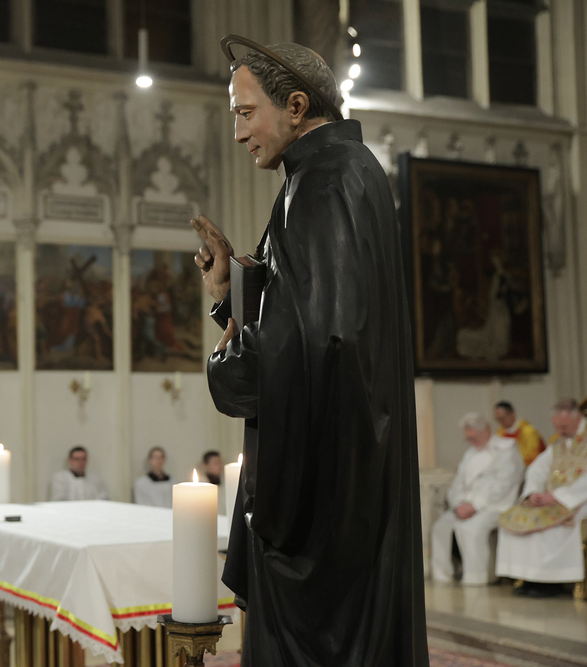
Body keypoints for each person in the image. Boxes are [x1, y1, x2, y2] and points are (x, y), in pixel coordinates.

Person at [197, 38, 428, 666]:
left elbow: (326, 341)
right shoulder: (333, 174)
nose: (239, 133)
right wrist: (227, 296)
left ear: (296, 106)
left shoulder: (327, 183)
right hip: (344, 469)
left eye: (246, 113)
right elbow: (308, 318)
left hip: (326, 498)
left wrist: (228, 368)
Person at [496, 398, 587, 597]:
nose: (560, 431)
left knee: (549, 529)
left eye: (564, 426)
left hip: (579, 499)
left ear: (577, 419)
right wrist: (534, 492)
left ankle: (552, 582)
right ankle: (527, 576)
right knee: (515, 521)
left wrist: (558, 497)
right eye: (557, 426)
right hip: (550, 497)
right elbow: (537, 469)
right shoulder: (560, 441)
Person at [430, 413, 524, 585]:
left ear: (485, 431)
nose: (470, 441)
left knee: (469, 529)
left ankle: (476, 579)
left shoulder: (507, 450)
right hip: (465, 505)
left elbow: (504, 484)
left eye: (473, 437)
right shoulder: (470, 453)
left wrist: (475, 505)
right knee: (440, 527)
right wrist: (458, 504)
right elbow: (458, 483)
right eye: (468, 438)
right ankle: (442, 575)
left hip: (496, 506)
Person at [493, 400, 546, 466]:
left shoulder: (528, 431)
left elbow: (533, 456)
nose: (501, 421)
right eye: (498, 419)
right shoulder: (500, 434)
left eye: (503, 418)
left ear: (512, 413)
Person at [198, 450, 227, 515]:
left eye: (220, 462)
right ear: (206, 465)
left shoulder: (225, 481)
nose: (220, 466)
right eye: (216, 463)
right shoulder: (201, 485)